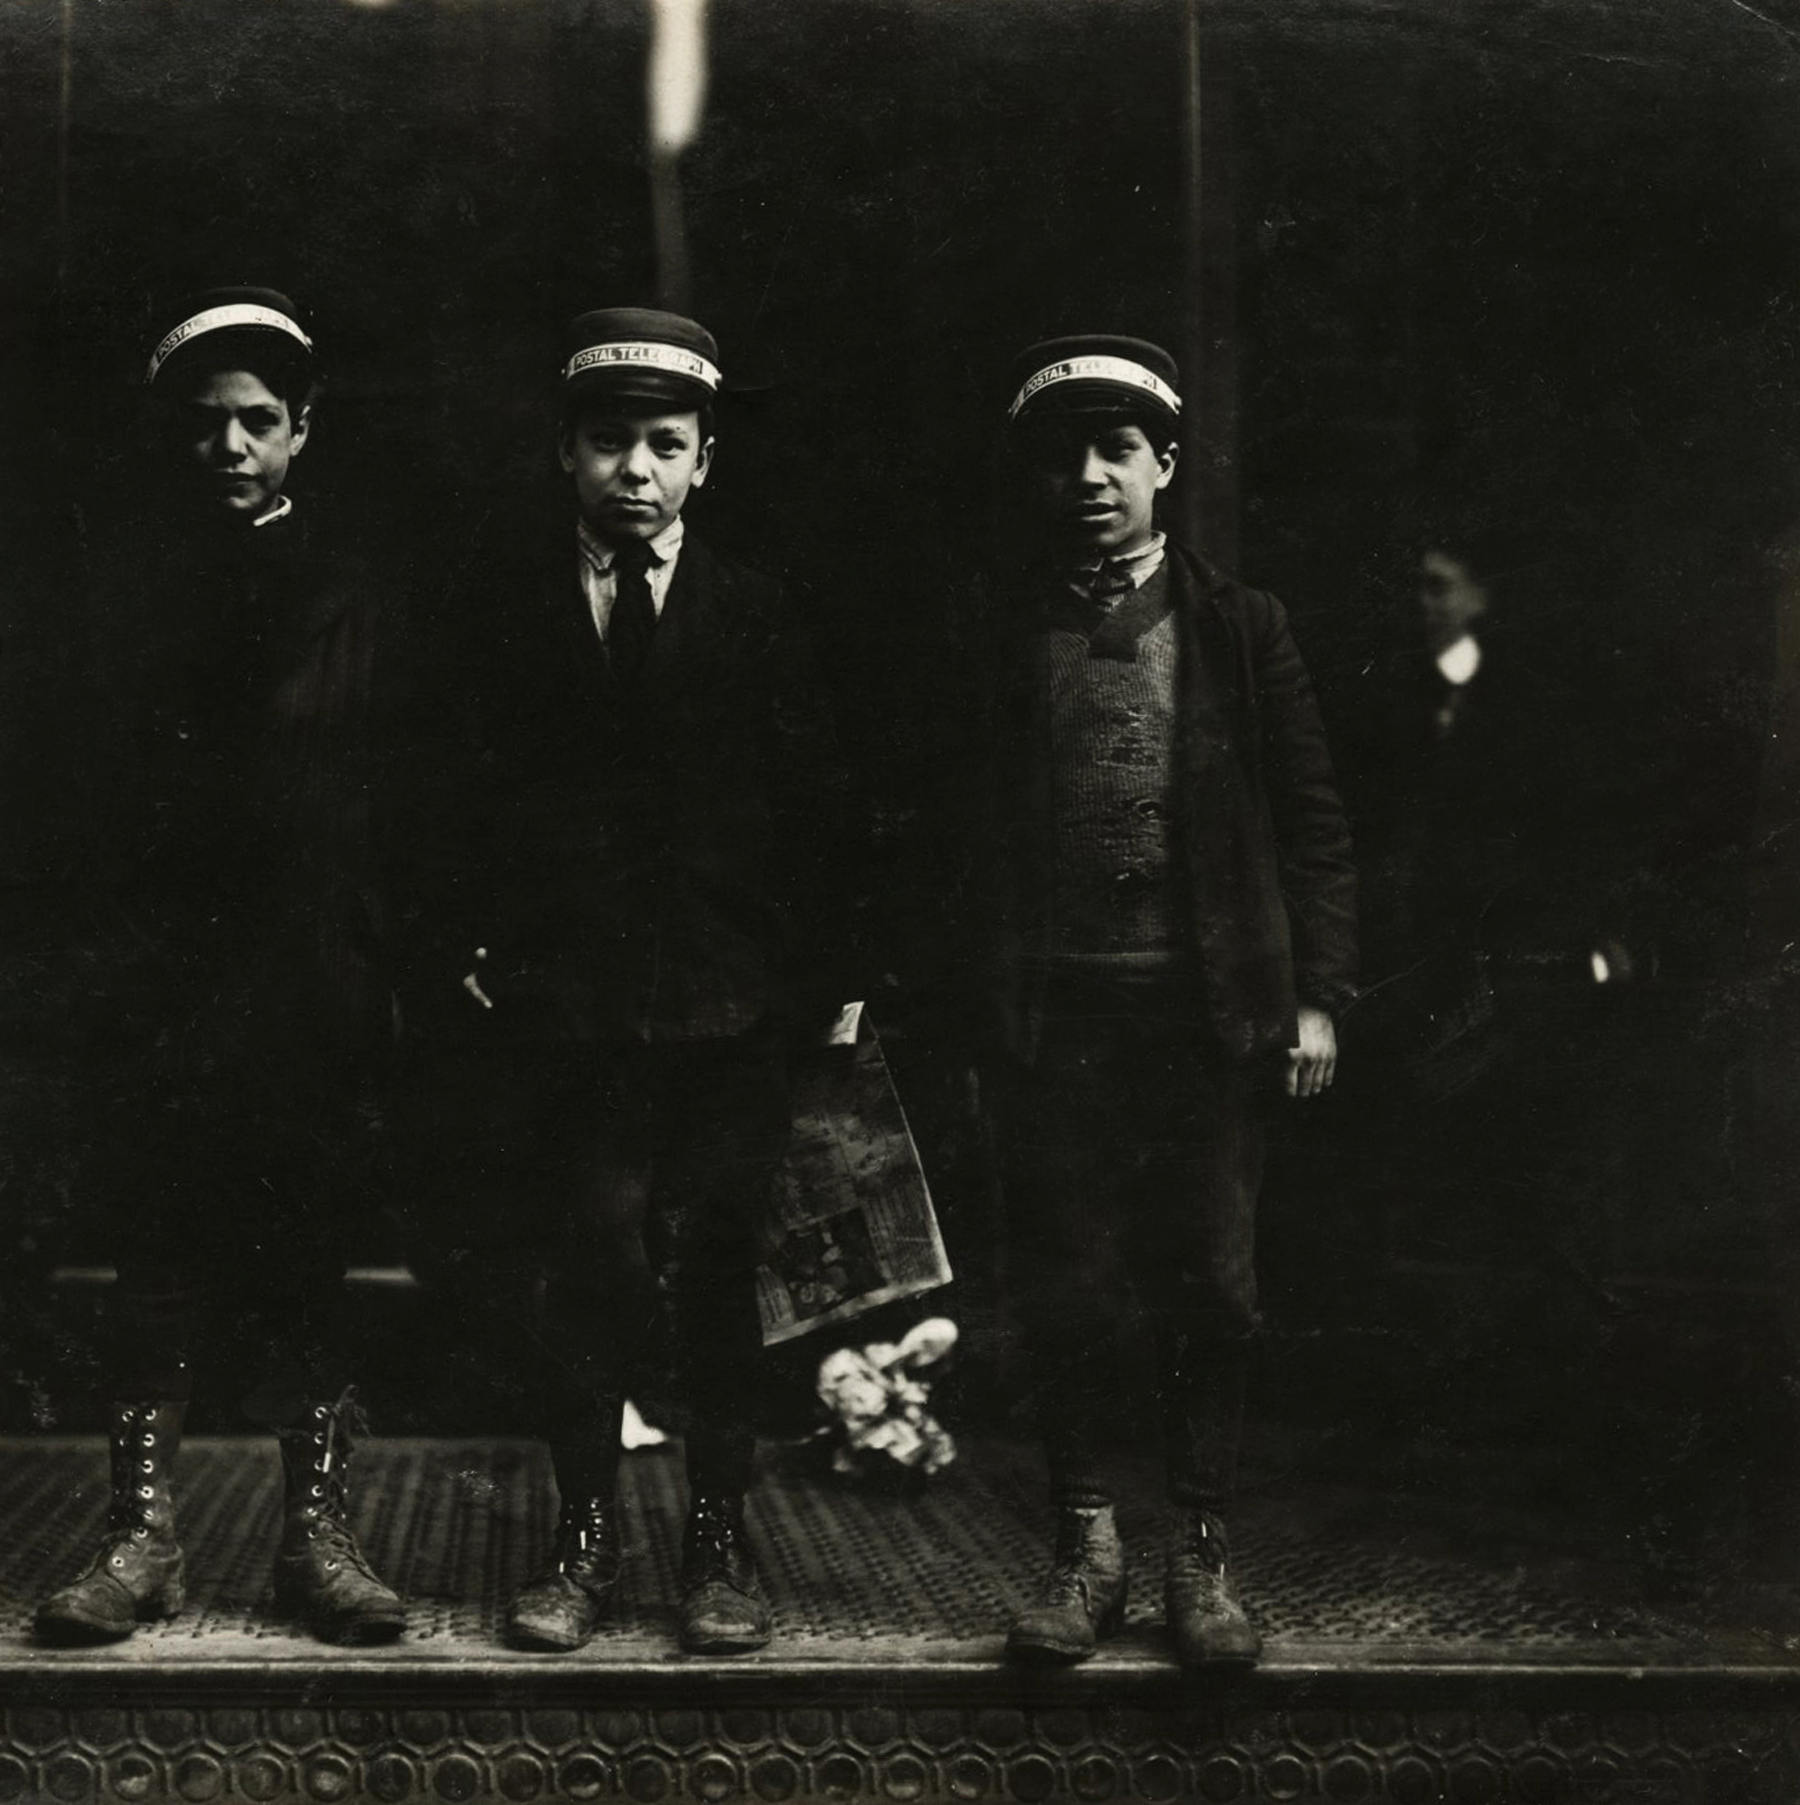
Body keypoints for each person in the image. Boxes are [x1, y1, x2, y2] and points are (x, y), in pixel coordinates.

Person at [392, 307, 845, 1655]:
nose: (634, 470)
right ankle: (580, 1536)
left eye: (664, 443)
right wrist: (466, 956)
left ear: (705, 458)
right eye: (608, 441)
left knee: (719, 1272)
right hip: (570, 1011)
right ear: (564, 452)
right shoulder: (503, 608)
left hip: (726, 1005)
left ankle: (716, 1541)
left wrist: (813, 982)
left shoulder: (758, 611)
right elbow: (443, 798)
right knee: (585, 1262)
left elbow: (820, 815)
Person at [972, 335, 1357, 1667]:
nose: (1090, 476)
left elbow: (1313, 822)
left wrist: (1319, 997)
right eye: (1064, 455)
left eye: (1117, 450)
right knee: (1068, 1285)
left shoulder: (1241, 627)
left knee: (1212, 1284)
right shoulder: (999, 627)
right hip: (1055, 1021)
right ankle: (1085, 1551)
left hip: (1207, 1020)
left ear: (1167, 465)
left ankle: (1200, 1550)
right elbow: (951, 832)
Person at [35, 288, 405, 1646]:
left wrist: (369, 961)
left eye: (258, 420)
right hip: (161, 990)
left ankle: (317, 1543)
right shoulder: (115, 591)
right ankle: (142, 1541)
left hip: (308, 983)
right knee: (156, 1258)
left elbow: (394, 797)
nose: (232, 446)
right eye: (206, 424)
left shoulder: (358, 589)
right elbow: (77, 804)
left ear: (301, 430)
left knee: (308, 1256)